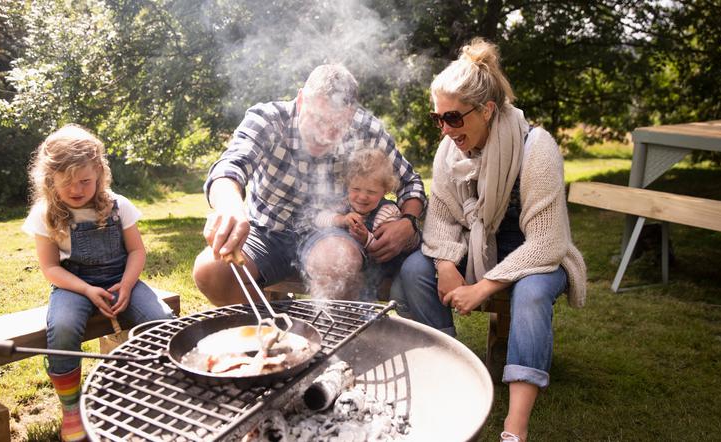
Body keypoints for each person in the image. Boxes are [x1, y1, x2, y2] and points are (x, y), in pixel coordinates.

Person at [390, 38, 586, 442]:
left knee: (531, 294)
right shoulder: (449, 151)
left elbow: (548, 242)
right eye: (437, 118)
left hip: (535, 252)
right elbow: (441, 217)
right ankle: (449, 376)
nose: (445, 129)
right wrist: (445, 265)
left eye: (454, 118)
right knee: (413, 271)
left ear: (487, 110)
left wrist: (484, 286)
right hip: (480, 250)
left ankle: (515, 427)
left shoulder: (536, 147)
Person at [193, 64, 425, 304]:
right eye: (317, 119)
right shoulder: (269, 120)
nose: (323, 134)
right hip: (267, 231)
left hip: (331, 231)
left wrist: (408, 222)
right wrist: (230, 207)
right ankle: (277, 329)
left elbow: (410, 182)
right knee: (211, 271)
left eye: (336, 125)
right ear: (302, 99)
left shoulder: (366, 130)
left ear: (351, 114)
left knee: (337, 261)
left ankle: (335, 334)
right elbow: (229, 167)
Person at [22, 124, 175, 442]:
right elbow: (50, 267)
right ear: (50, 180)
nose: (77, 189)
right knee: (62, 327)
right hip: (73, 286)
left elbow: (136, 250)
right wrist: (86, 290)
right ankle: (72, 409)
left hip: (122, 280)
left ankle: (165, 391)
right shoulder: (46, 214)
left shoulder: (119, 206)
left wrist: (128, 285)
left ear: (99, 174)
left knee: (162, 321)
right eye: (67, 183)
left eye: (85, 181)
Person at [313, 148, 419, 301]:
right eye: (356, 189)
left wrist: (365, 238)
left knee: (364, 289)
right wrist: (340, 219)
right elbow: (319, 218)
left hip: (383, 267)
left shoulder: (387, 212)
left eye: (371, 191)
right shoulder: (344, 204)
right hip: (355, 267)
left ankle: (364, 318)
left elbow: (382, 247)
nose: (362, 197)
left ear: (385, 190)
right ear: (347, 185)